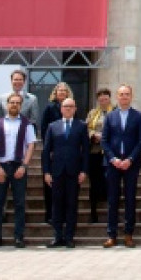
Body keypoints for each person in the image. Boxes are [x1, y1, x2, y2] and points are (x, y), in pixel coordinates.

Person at [0, 92, 36, 248]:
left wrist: (24, 166)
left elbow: (31, 146)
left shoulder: (27, 124)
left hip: (18, 165)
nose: (14, 105)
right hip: (2, 166)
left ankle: (19, 237)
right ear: (7, 105)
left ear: (21, 105)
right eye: (11, 102)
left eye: (17, 103)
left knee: (19, 203)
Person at [42, 96, 89, 248]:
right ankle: (57, 236)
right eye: (65, 106)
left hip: (74, 171)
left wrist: (83, 170)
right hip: (56, 171)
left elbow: (86, 151)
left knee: (71, 204)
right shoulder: (52, 126)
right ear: (61, 109)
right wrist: (46, 171)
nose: (68, 109)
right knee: (56, 204)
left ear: (75, 109)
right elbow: (46, 150)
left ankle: (69, 236)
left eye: (71, 106)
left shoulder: (81, 126)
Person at [102, 84, 141, 247]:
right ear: (117, 97)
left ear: (131, 96)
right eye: (121, 94)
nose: (124, 97)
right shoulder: (110, 116)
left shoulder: (138, 116)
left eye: (127, 94)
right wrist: (113, 159)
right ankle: (111, 235)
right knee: (112, 200)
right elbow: (104, 141)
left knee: (130, 199)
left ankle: (128, 234)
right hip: (113, 164)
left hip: (131, 164)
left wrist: (130, 159)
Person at [40, 82, 73, 225]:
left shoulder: (72, 107)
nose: (62, 92)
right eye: (59, 90)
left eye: (64, 91)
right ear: (55, 92)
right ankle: (50, 214)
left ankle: (66, 215)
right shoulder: (49, 107)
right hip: (52, 150)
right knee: (50, 186)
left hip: (68, 152)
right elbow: (43, 128)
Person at [85, 88, 113, 225]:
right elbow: (88, 128)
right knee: (94, 184)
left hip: (110, 153)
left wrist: (106, 137)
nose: (103, 101)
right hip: (95, 151)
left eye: (105, 98)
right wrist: (93, 135)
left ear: (109, 99)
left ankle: (112, 214)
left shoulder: (115, 112)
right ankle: (93, 213)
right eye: (101, 99)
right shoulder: (93, 113)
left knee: (111, 183)